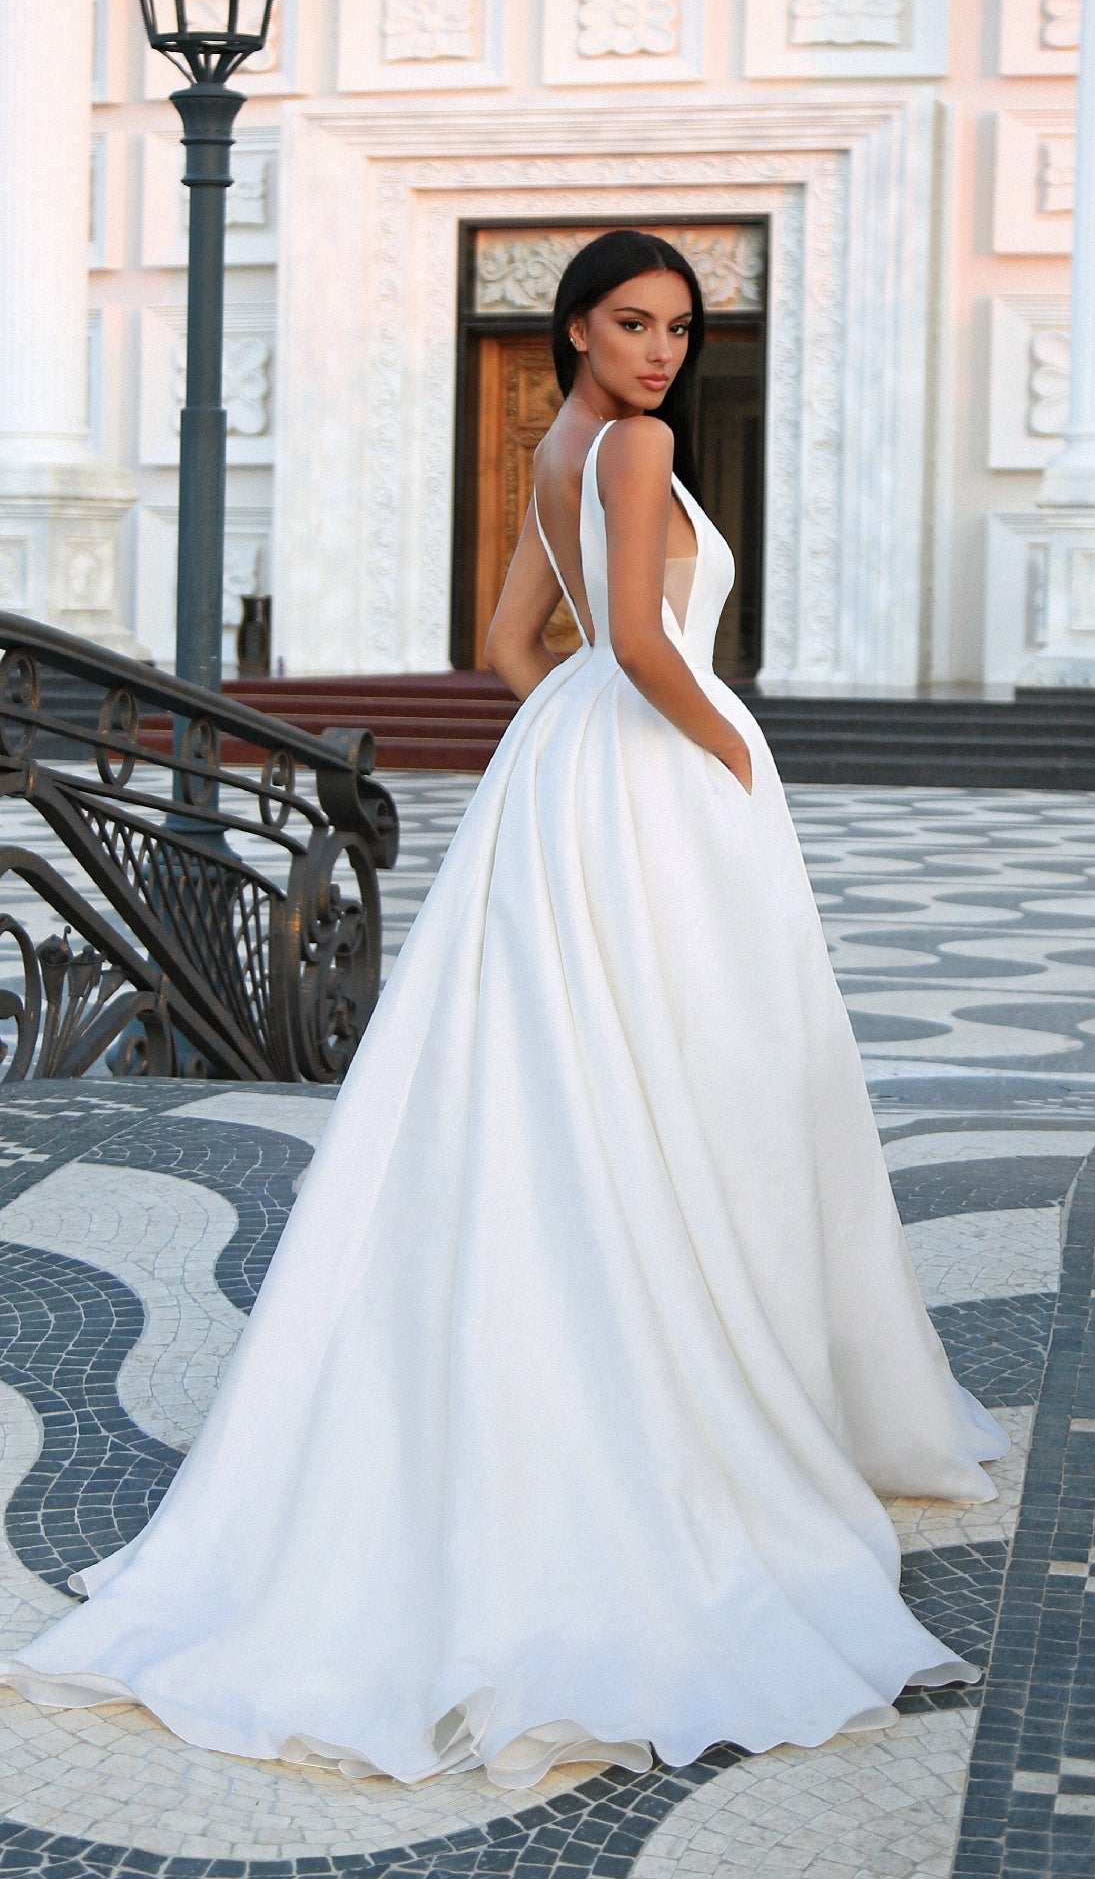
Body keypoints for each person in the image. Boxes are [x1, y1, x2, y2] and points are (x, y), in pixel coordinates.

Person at [0, 230, 1007, 1791]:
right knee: (697, 1068)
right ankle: (679, 1371)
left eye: (680, 328)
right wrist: (728, 758)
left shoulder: (554, 443)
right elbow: (655, 645)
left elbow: (504, 650)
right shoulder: (642, 447)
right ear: (578, 325)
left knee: (574, 1070)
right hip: (664, 772)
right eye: (632, 321)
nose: (664, 351)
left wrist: (584, 741)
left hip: (576, 771)